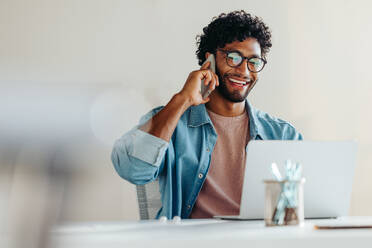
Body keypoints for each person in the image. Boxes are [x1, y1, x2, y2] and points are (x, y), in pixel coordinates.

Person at [111, 10, 303, 219]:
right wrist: (182, 99)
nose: (245, 71)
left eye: (253, 62)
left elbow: (305, 203)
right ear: (209, 60)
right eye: (234, 58)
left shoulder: (283, 134)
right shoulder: (172, 121)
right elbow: (133, 170)